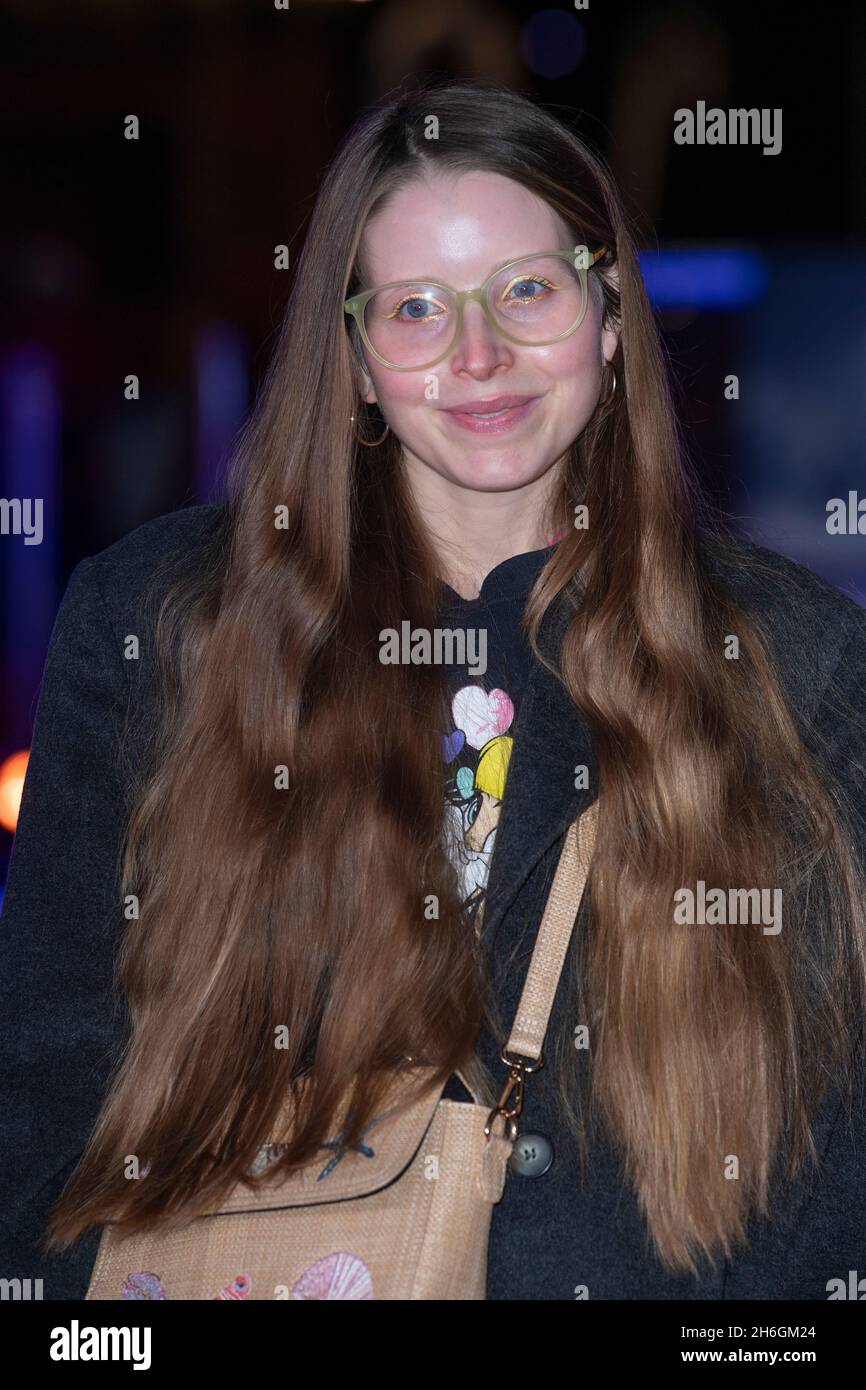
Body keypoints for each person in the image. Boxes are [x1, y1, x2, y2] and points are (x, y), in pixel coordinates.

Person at [2, 77, 866, 1302]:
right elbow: (45, 1082)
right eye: (413, 309)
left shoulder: (792, 663)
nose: (478, 354)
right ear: (353, 361)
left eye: (525, 290)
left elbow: (835, 1152)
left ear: (608, 314)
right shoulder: (164, 625)